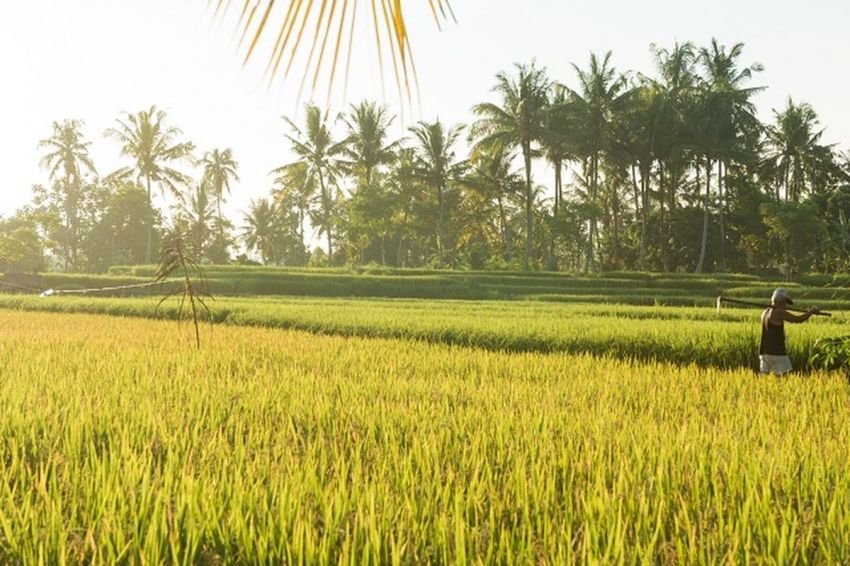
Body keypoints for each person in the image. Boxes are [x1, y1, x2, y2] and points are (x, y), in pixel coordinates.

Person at [759, 287, 819, 375]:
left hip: (764, 352)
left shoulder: (765, 312)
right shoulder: (779, 312)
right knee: (787, 378)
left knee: (764, 381)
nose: (785, 305)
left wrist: (809, 312)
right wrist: (811, 312)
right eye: (784, 302)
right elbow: (798, 319)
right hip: (777, 353)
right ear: (779, 301)